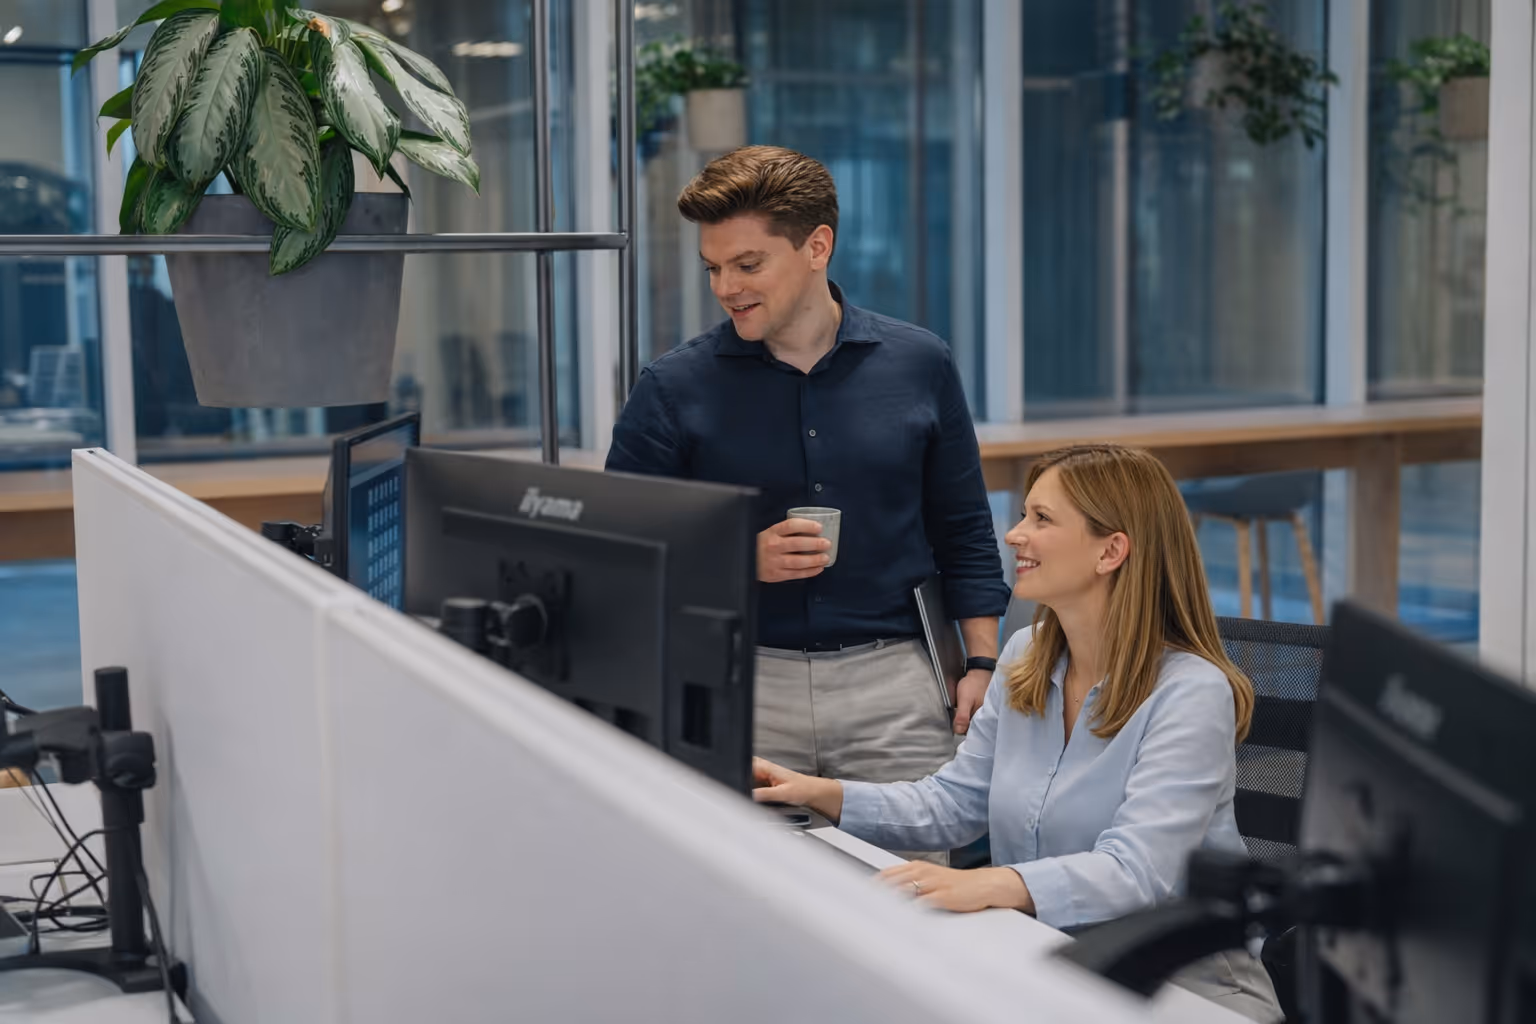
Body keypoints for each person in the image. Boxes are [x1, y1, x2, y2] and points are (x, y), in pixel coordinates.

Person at [752, 444, 1283, 1023]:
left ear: (1112, 550)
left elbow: (1139, 872)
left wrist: (992, 884)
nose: (1013, 534)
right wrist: (816, 792)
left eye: (1041, 519)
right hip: (1049, 967)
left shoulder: (1190, 693)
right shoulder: (1026, 656)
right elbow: (955, 802)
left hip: (1186, 990)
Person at [607, 146, 1010, 811]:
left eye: (747, 264)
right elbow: (621, 548)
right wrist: (737, 561)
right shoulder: (672, 388)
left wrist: (982, 662)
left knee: (909, 901)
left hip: (896, 692)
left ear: (817, 246)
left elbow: (962, 524)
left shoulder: (920, 364)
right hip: (746, 686)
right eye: (712, 268)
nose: (725, 288)